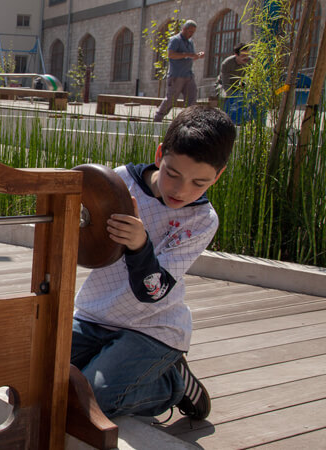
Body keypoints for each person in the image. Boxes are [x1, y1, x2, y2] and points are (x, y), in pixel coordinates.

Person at [71, 106, 236, 421]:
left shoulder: (202, 220)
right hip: (94, 314)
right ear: (160, 154)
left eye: (198, 183)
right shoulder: (117, 183)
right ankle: (117, 365)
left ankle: (170, 385)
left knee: (90, 401)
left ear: (218, 176)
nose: (180, 190)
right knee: (40, 376)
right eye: (173, 173)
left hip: (153, 328)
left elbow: (153, 290)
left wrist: (139, 245)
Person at [153, 21, 205, 122]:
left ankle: (189, 120)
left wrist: (197, 55)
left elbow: (190, 57)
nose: (191, 34)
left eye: (193, 32)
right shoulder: (175, 40)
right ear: (184, 29)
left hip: (188, 75)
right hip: (176, 76)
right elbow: (171, 54)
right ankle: (158, 118)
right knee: (171, 100)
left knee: (192, 99)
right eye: (190, 31)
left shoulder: (190, 42)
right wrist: (188, 54)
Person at [218, 43, 252, 124]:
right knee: (228, 98)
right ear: (236, 55)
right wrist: (233, 96)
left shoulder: (251, 62)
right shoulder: (227, 63)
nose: (246, 58)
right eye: (243, 55)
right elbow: (225, 83)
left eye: (247, 55)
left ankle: (244, 121)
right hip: (225, 85)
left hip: (241, 86)